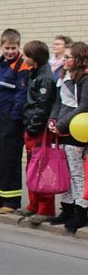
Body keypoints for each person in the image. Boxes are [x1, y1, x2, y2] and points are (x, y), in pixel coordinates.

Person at [0, 28, 29, 213]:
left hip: (9, 118)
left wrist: (13, 118)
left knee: (9, 159)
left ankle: (11, 200)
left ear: (19, 46)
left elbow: (21, 94)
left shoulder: (21, 66)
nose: (10, 51)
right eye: (7, 48)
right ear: (1, 47)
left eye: (13, 48)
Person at [48, 42, 88, 231]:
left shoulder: (85, 78)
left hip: (76, 130)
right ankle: (67, 207)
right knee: (65, 171)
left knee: (76, 171)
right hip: (61, 129)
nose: (64, 60)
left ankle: (82, 210)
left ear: (79, 59)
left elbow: (83, 106)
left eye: (68, 57)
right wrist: (53, 120)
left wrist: (63, 124)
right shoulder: (63, 76)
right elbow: (58, 102)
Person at [20, 40, 58, 223]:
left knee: (42, 168)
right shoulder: (35, 74)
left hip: (38, 130)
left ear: (34, 58)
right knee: (32, 168)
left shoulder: (45, 78)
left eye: (26, 55)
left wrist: (33, 127)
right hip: (31, 127)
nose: (24, 57)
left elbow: (42, 107)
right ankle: (33, 204)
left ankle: (46, 208)